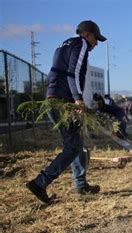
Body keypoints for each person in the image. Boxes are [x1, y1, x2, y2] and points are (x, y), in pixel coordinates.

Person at [25, 20, 106, 204]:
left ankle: (80, 184)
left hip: (55, 99)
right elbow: (73, 73)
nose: (96, 43)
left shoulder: (63, 46)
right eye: (96, 39)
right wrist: (78, 98)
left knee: (76, 141)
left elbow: (57, 74)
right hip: (64, 102)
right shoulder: (81, 44)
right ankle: (40, 183)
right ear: (87, 34)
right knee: (73, 147)